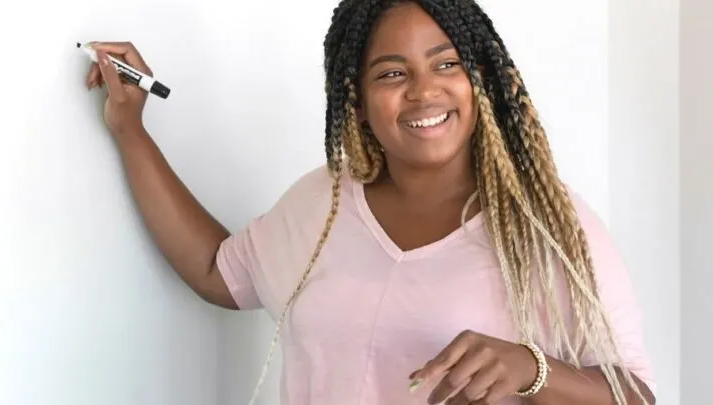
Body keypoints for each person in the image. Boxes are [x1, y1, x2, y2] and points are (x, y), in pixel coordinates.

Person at [83, 1, 656, 404]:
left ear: (479, 78)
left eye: (447, 63)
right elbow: (216, 271)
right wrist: (131, 129)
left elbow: (634, 396)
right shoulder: (323, 203)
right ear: (356, 102)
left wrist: (532, 371)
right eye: (391, 73)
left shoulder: (547, 223)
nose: (424, 90)